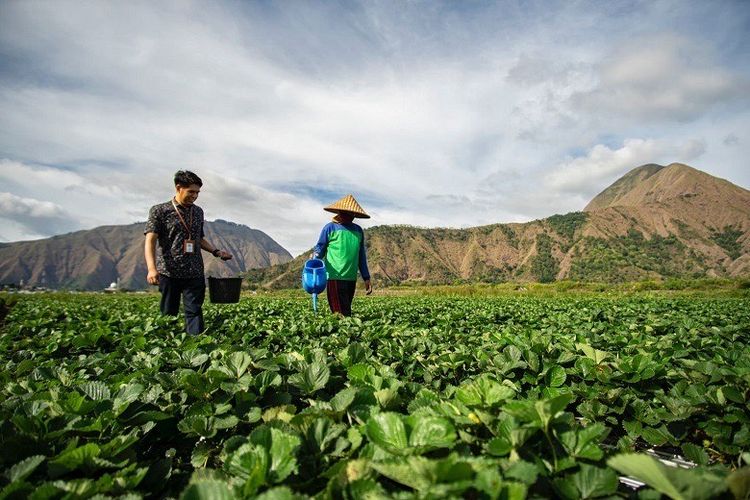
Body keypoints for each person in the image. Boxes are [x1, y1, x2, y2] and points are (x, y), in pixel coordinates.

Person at [144, 170, 232, 334]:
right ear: (178, 188)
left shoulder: (198, 212)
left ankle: (196, 344)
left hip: (194, 270)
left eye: (197, 192)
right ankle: (166, 345)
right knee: (169, 312)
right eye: (191, 191)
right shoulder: (159, 211)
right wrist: (151, 268)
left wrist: (217, 252)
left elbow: (198, 239)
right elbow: (150, 240)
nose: (195, 196)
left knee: (194, 311)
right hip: (169, 271)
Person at [313, 194, 372, 316]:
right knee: (339, 313)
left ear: (354, 215)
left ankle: (348, 332)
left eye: (351, 214)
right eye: (345, 213)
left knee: (345, 310)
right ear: (340, 212)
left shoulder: (358, 231)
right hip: (335, 276)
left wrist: (366, 278)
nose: (349, 216)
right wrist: (314, 259)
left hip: (351, 278)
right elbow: (320, 248)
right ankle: (345, 333)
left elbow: (361, 256)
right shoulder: (330, 228)